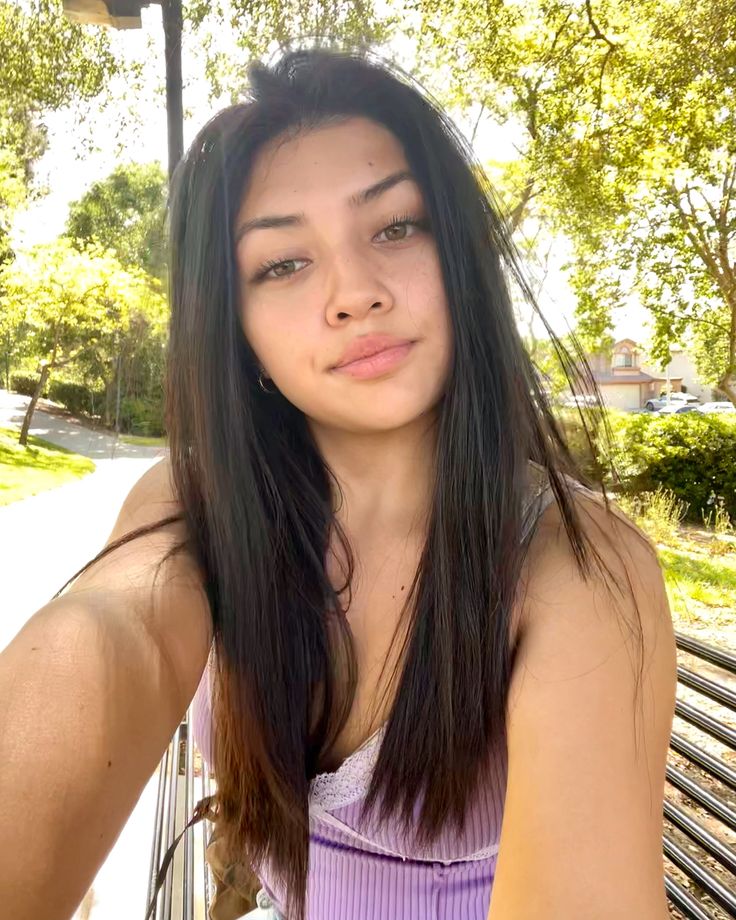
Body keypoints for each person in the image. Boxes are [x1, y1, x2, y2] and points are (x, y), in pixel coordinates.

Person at [0, 47, 677, 920]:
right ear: (237, 330)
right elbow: (106, 636)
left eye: (395, 226)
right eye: (283, 264)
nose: (354, 293)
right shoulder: (193, 504)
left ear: (461, 261)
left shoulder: (579, 573)